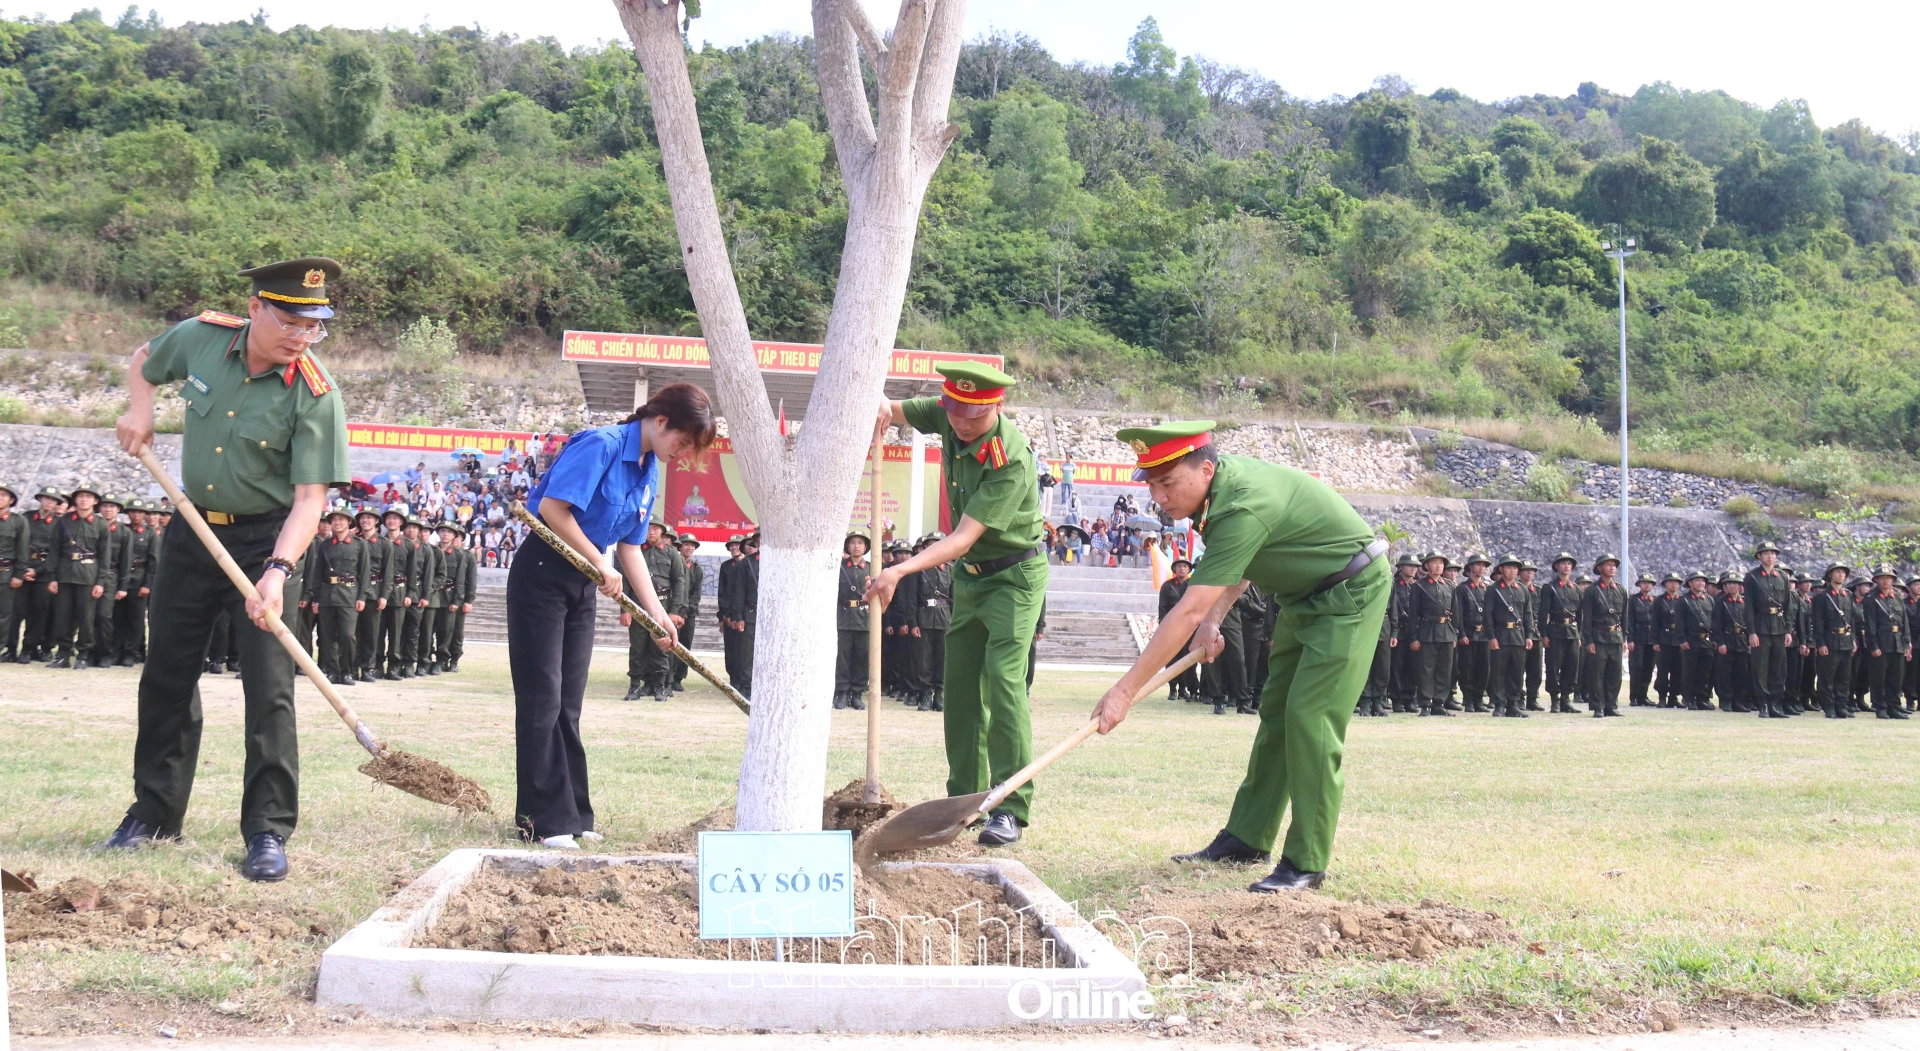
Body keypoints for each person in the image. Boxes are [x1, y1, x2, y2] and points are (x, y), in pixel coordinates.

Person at [105, 257, 350, 882]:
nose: (302, 335)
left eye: (314, 326)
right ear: (256, 308)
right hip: (192, 530)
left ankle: (267, 830)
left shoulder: (315, 395)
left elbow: (309, 500)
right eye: (291, 320)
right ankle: (154, 813)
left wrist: (277, 570)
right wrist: (141, 411)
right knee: (167, 674)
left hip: (266, 540)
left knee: (268, 690)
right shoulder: (202, 338)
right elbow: (143, 359)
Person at [1094, 420, 1388, 893]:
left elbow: (1187, 607)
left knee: (1310, 719)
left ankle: (1306, 862)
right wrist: (1214, 621)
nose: (1160, 496)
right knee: (1276, 715)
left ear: (1205, 468)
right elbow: (1240, 566)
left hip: (1348, 594)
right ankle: (1249, 837)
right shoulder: (1220, 496)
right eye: (1151, 485)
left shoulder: (1243, 501)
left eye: (1168, 483)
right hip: (1300, 598)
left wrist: (1125, 691)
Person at [513, 383, 714, 846]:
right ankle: (540, 821)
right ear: (661, 422)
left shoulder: (648, 468)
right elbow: (552, 510)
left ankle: (573, 814)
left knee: (568, 701)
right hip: (543, 573)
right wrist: (600, 562)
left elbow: (631, 546)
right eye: (682, 443)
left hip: (584, 580)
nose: (681, 454)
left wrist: (657, 612)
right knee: (542, 697)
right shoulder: (600, 445)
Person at [867, 362, 1047, 847]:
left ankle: (1009, 806)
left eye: (973, 415)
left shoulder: (1008, 459)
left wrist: (900, 569)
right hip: (969, 581)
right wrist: (881, 411)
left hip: (1014, 575)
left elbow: (964, 537)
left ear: (996, 406)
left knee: (1004, 680)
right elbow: (894, 408)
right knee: (961, 688)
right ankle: (963, 803)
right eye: (954, 412)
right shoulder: (948, 413)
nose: (961, 424)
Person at [310, 502, 368, 686]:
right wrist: (317, 598)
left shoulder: (359, 545)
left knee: (347, 635)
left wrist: (362, 597)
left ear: (349, 522)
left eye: (341, 519)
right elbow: (318, 573)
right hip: (327, 595)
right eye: (334, 519)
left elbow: (364, 573)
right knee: (327, 636)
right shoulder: (324, 545)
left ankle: (347, 671)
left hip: (349, 595)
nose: (337, 523)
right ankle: (332, 671)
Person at [626, 521, 684, 703]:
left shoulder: (672, 553)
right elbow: (626, 580)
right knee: (637, 648)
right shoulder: (635, 552)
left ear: (662, 532)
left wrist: (675, 610)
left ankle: (660, 687)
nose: (651, 532)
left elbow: (679, 582)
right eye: (648, 528)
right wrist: (624, 609)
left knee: (660, 648)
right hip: (637, 606)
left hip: (663, 606)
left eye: (655, 528)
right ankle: (635, 686)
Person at [1744, 542, 1793, 719]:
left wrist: (1788, 630)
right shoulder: (1751, 577)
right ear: (1759, 556)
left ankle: (1775, 704)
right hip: (1761, 626)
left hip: (1779, 627)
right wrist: (1751, 632)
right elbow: (1748, 607)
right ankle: (1763, 705)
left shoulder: (1782, 577)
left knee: (1778, 668)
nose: (1770, 556)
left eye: (1773, 553)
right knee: (1761, 668)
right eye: (1765, 553)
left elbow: (1788, 605)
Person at [1408, 552, 1457, 718]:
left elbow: (1456, 613)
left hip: (1446, 633)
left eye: (1441, 563)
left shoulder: (1449, 586)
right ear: (1427, 566)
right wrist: (1413, 637)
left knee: (1444, 670)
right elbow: (1413, 614)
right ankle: (1425, 705)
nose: (1438, 566)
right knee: (1426, 670)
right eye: (1434, 562)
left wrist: (1455, 634)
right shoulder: (1419, 586)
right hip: (1427, 631)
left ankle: (1439, 703)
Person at [1580, 554, 1628, 718]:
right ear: (1600, 568)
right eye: (1608, 565)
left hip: (1616, 637)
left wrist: (1625, 639)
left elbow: (1625, 617)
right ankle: (1597, 706)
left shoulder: (1621, 590)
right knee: (1597, 673)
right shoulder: (1592, 591)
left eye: (1614, 565)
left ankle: (1611, 705)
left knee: (1614, 674)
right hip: (1598, 636)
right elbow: (1586, 618)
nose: (1612, 568)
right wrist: (1589, 640)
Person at [1485, 554, 1533, 718]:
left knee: (1517, 671)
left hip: (1518, 636)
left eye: (1515, 568)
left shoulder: (1523, 590)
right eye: (1508, 567)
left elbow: (1527, 614)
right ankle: (1499, 704)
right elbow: (1488, 615)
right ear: (1501, 569)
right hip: (1501, 634)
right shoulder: (1493, 590)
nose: (1512, 571)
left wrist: (1529, 635)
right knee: (1499, 671)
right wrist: (1491, 636)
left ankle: (1513, 704)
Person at [19, 486, 61, 662]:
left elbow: (57, 552)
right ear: (40, 500)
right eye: (46, 498)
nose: (49, 502)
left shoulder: (60, 523)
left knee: (39, 612)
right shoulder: (26, 518)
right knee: (18, 611)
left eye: (53, 499)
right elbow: (19, 544)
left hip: (44, 573)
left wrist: (37, 571)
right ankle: (12, 647)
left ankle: (30, 648)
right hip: (23, 569)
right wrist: (24, 569)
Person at [1863, 565, 1911, 719]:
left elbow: (1904, 621)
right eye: (1882, 577)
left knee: (1896, 677)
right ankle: (1880, 707)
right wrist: (1873, 645)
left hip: (1897, 642)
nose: (1885, 580)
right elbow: (1870, 625)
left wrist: (1907, 642)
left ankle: (1894, 706)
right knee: (1879, 677)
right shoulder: (1871, 599)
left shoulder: (1896, 596)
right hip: (1881, 642)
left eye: (1888, 577)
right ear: (1876, 580)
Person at [114, 498, 156, 666]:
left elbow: (153, 561)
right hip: (121, 579)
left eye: (140, 512)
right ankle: (117, 650)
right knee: (118, 618)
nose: (136, 514)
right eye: (133, 511)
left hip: (139, 579)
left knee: (136, 620)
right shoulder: (122, 531)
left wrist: (147, 584)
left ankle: (132, 653)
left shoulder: (150, 534)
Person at [913, 532, 952, 712]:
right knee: (924, 660)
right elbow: (911, 599)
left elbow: (955, 598)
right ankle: (926, 695)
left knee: (942, 659)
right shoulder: (919, 570)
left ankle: (940, 694)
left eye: (938, 543)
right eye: (930, 544)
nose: (934, 546)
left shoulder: (951, 570)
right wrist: (913, 622)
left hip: (945, 619)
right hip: (924, 618)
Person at [1539, 552, 1582, 713]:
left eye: (1569, 564)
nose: (1566, 566)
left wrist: (1579, 634)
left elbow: (1580, 614)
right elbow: (1543, 613)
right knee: (1553, 666)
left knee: (1571, 666)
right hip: (1555, 631)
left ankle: (1566, 698)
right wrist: (1543, 634)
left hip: (1572, 631)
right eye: (1563, 563)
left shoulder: (1575, 588)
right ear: (1557, 566)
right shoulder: (1549, 587)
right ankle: (1555, 699)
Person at [834, 530, 872, 711]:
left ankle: (857, 693)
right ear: (847, 546)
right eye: (853, 542)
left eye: (860, 543)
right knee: (842, 656)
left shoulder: (872, 568)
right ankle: (842, 692)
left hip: (864, 618)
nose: (856, 546)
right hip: (843, 616)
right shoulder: (839, 566)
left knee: (861, 657)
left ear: (865, 547)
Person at [1159, 558, 1200, 701]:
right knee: (1171, 658)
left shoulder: (1192, 585)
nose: (1182, 569)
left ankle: (1184, 689)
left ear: (1189, 569)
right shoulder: (1167, 586)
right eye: (1179, 566)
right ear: (1174, 569)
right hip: (1172, 626)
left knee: (1186, 658)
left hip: (1188, 626)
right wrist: (1164, 628)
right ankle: (1172, 689)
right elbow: (1162, 608)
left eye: (1185, 566)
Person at [1715, 572, 1755, 714]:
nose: (1732, 586)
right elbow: (1717, 624)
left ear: (1740, 586)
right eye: (1729, 583)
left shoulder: (1745, 603)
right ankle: (1726, 701)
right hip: (1727, 640)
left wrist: (1750, 641)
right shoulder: (1720, 602)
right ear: (1725, 586)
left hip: (1742, 642)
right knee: (1725, 673)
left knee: (1741, 673)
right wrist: (1720, 642)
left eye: (1735, 583)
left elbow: (1750, 623)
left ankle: (1738, 701)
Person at [1678, 570, 1718, 710]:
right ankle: (1688, 698)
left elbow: (1714, 621)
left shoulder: (1709, 600)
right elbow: (1680, 622)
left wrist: (1715, 639)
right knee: (1690, 671)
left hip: (1706, 640)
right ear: (1690, 583)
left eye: (1703, 581)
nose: (1701, 583)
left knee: (1705, 671)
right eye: (1697, 581)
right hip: (1691, 640)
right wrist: (1682, 640)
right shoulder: (1684, 600)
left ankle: (1702, 698)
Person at [671, 533, 702, 692]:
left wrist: (687, 611)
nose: (689, 548)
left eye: (692, 545)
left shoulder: (696, 569)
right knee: (670, 644)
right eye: (686, 544)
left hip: (688, 614)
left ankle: (678, 677)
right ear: (679, 546)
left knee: (685, 645)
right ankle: (667, 676)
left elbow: (696, 594)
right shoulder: (672, 563)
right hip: (673, 611)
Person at [0, 482, 26, 661]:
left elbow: (22, 550)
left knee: (4, 614)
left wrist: (18, 574)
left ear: (11, 500)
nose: (0, 498)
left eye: (3, 495)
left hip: (6, 573)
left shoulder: (18, 521)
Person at [1652, 573, 1686, 708]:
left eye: (1676, 582)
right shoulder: (1659, 601)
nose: (1673, 584)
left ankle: (1674, 697)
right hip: (1664, 639)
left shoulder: (1682, 600)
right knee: (1663, 670)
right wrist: (1655, 641)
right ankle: (1661, 697)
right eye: (1670, 582)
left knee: (1678, 670)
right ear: (1665, 584)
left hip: (1678, 639)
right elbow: (1655, 621)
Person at [1627, 573, 1658, 706]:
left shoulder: (1655, 601)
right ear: (1639, 584)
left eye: (1649, 582)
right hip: (1638, 638)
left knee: (1648, 668)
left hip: (1651, 639)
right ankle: (1634, 696)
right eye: (1644, 582)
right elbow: (1629, 620)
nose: (1647, 585)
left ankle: (1643, 696)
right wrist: (1630, 639)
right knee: (1636, 667)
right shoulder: (1633, 600)